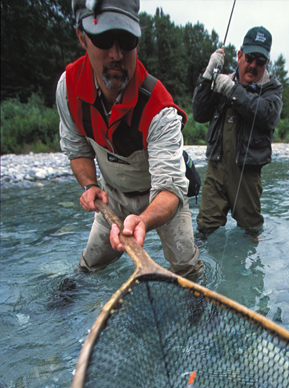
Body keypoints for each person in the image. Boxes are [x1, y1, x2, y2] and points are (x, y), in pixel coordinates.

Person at [56, 0, 202, 278]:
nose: (116, 54)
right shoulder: (67, 89)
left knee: (188, 269)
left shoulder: (160, 109)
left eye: (125, 39)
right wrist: (89, 184)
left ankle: (198, 309)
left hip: (162, 199)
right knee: (90, 266)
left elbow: (171, 190)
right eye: (103, 38)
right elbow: (77, 149)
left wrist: (144, 219)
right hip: (113, 198)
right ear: (82, 37)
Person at [193, 26, 283, 235]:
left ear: (266, 63)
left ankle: (248, 267)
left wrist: (233, 91)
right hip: (215, 170)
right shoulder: (222, 81)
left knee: (250, 231)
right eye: (250, 57)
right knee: (205, 231)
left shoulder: (272, 89)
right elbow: (199, 113)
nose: (253, 65)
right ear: (240, 55)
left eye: (260, 61)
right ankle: (202, 267)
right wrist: (207, 77)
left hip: (247, 173)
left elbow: (267, 114)